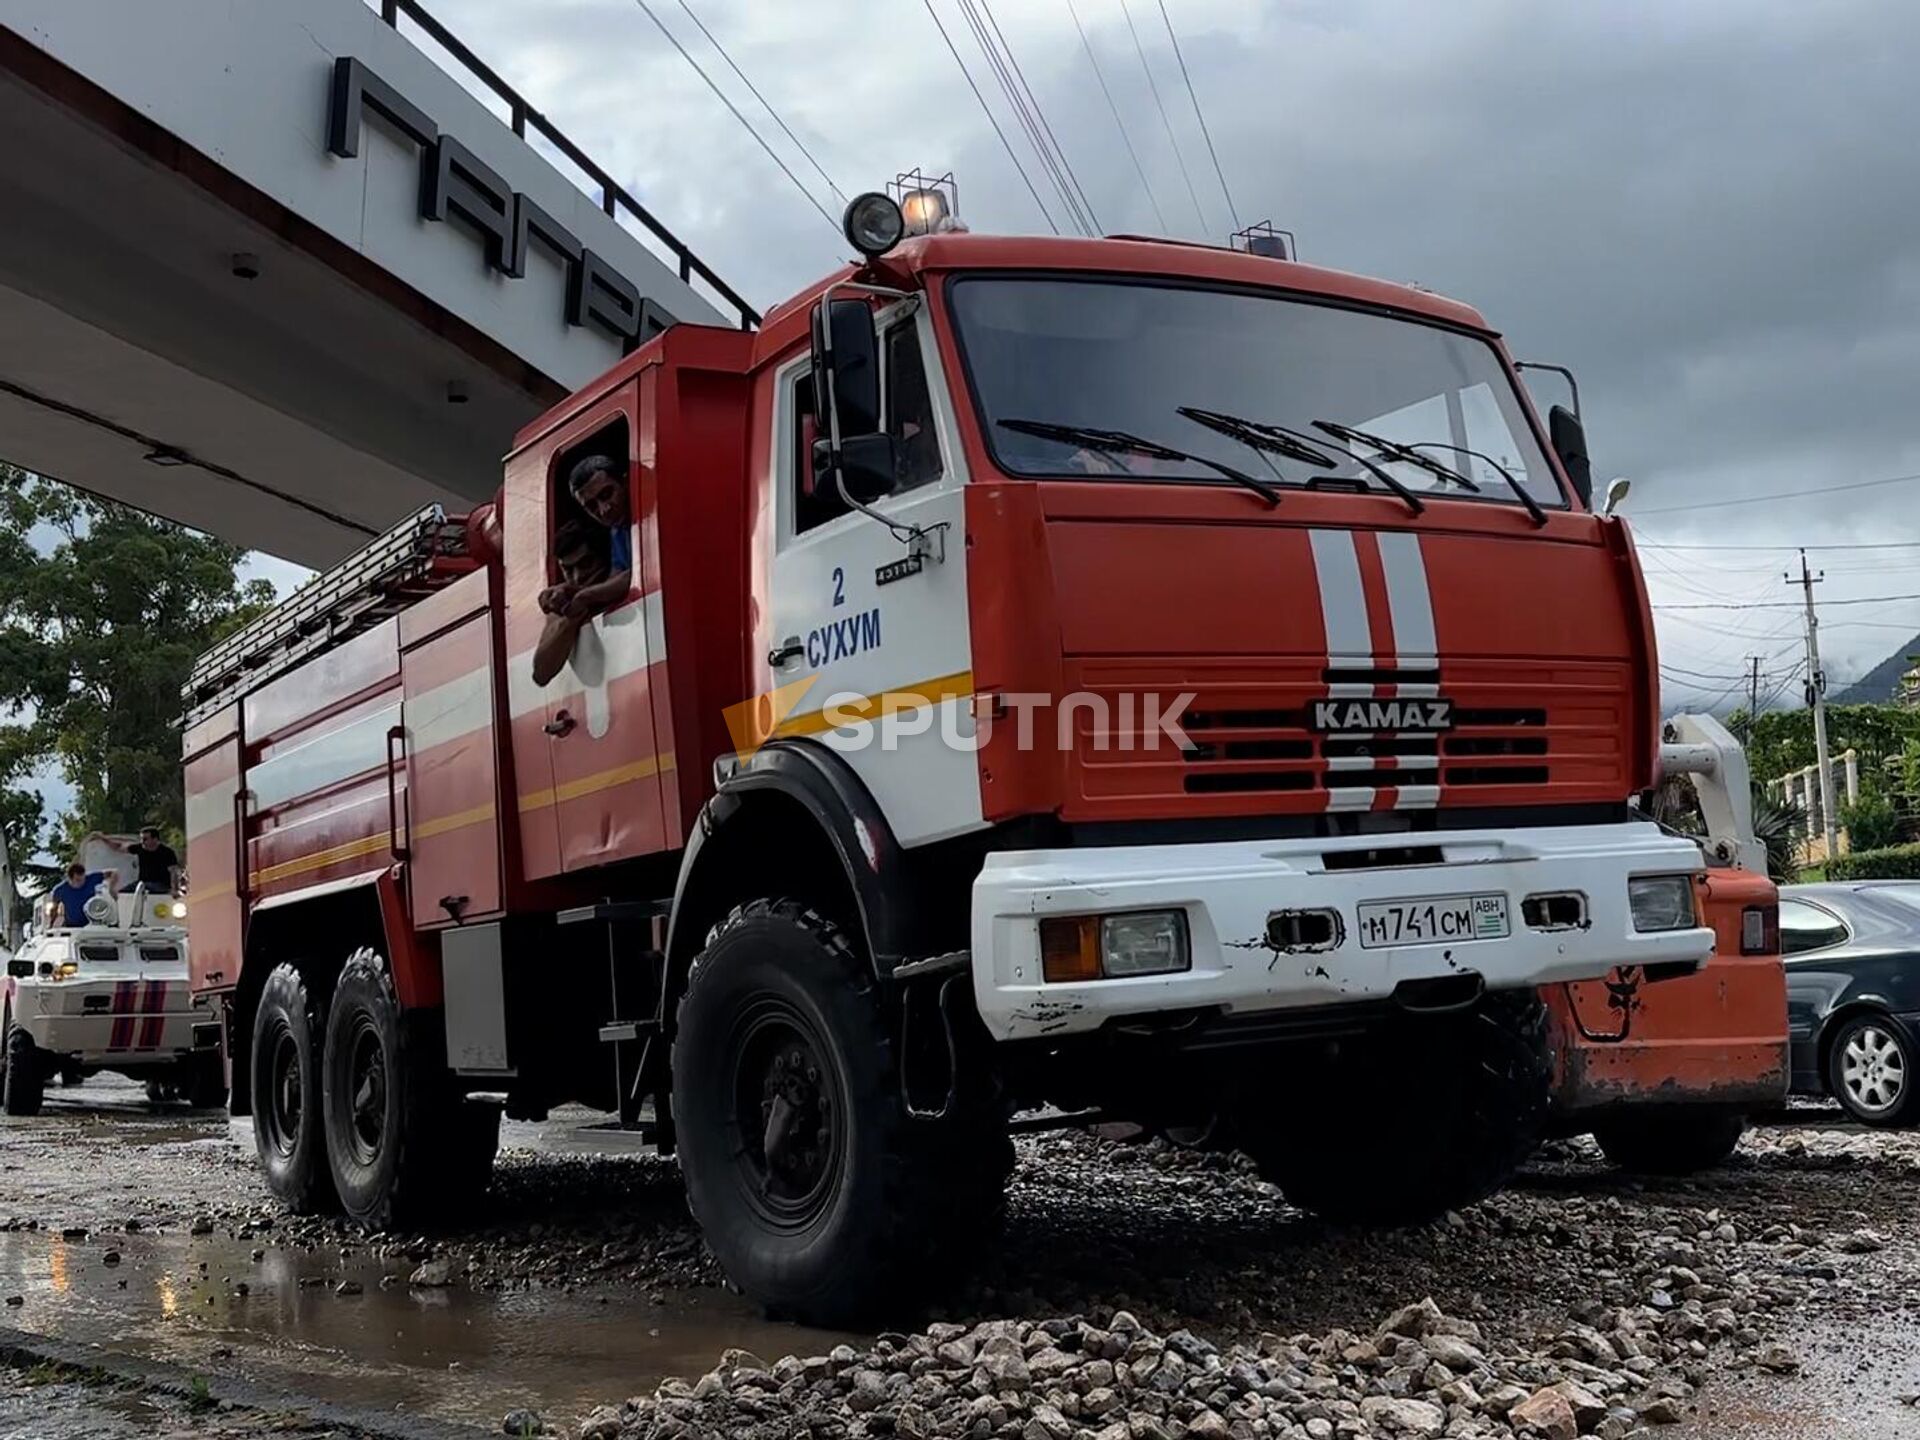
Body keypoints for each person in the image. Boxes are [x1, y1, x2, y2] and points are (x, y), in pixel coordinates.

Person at [532, 519, 612, 686]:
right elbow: (541, 673)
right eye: (568, 570)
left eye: (586, 564)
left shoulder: (621, 579)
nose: (577, 577)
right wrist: (571, 619)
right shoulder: (562, 603)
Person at [556, 454, 633, 620]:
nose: (604, 509)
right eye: (592, 506)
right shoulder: (617, 531)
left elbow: (639, 575)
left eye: (606, 494)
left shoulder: (649, 512)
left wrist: (587, 596)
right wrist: (574, 592)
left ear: (625, 482)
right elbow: (617, 578)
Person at [46, 862, 117, 929]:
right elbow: (54, 909)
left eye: (83, 879)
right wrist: (51, 924)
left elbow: (113, 872)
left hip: (91, 923)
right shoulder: (60, 890)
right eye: (78, 880)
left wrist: (112, 888)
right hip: (72, 925)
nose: (82, 882)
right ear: (70, 879)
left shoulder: (91, 879)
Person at [118, 827, 181, 894]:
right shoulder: (139, 848)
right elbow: (119, 847)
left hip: (161, 884)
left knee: (150, 888)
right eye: (141, 839)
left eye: (145, 839)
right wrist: (106, 839)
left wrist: (174, 889)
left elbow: (173, 872)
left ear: (155, 839)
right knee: (122, 892)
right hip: (143, 883)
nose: (142, 842)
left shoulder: (167, 852)